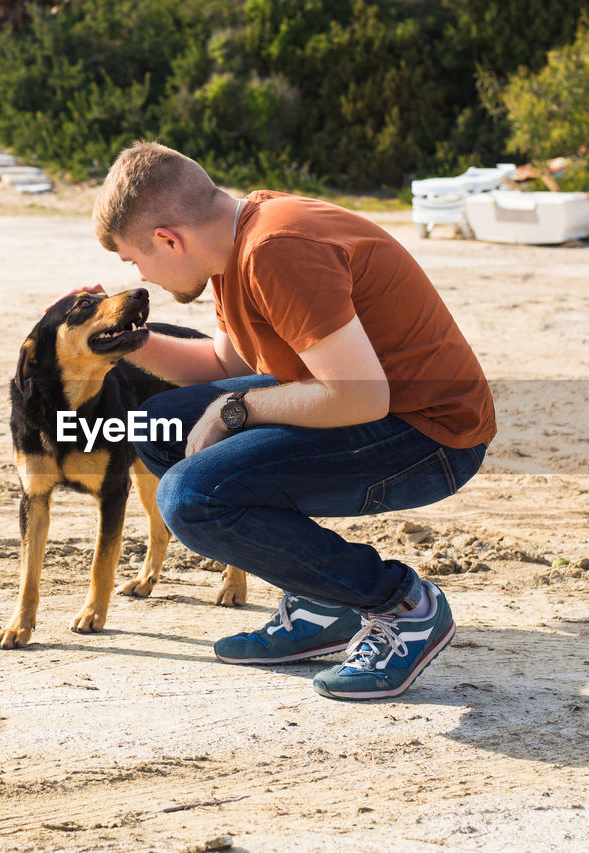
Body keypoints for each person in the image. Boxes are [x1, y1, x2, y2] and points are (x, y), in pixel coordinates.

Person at [87, 141, 495, 700]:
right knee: (159, 425)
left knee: (190, 498)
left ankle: (403, 605)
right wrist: (122, 342)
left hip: (431, 435)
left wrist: (235, 410)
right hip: (371, 406)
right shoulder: (235, 243)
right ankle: (322, 603)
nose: (142, 277)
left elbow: (362, 397)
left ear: (167, 239)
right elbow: (223, 365)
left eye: (134, 261)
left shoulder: (276, 250)